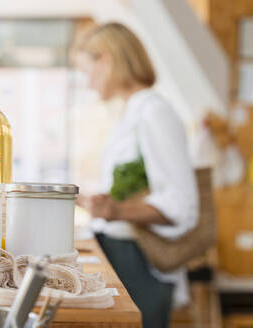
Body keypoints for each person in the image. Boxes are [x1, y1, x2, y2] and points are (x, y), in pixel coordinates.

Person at [77, 23, 199, 328]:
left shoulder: (154, 112)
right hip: (121, 255)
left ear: (105, 60)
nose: (88, 83)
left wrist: (116, 210)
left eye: (86, 70)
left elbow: (181, 205)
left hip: (140, 264)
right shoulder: (131, 112)